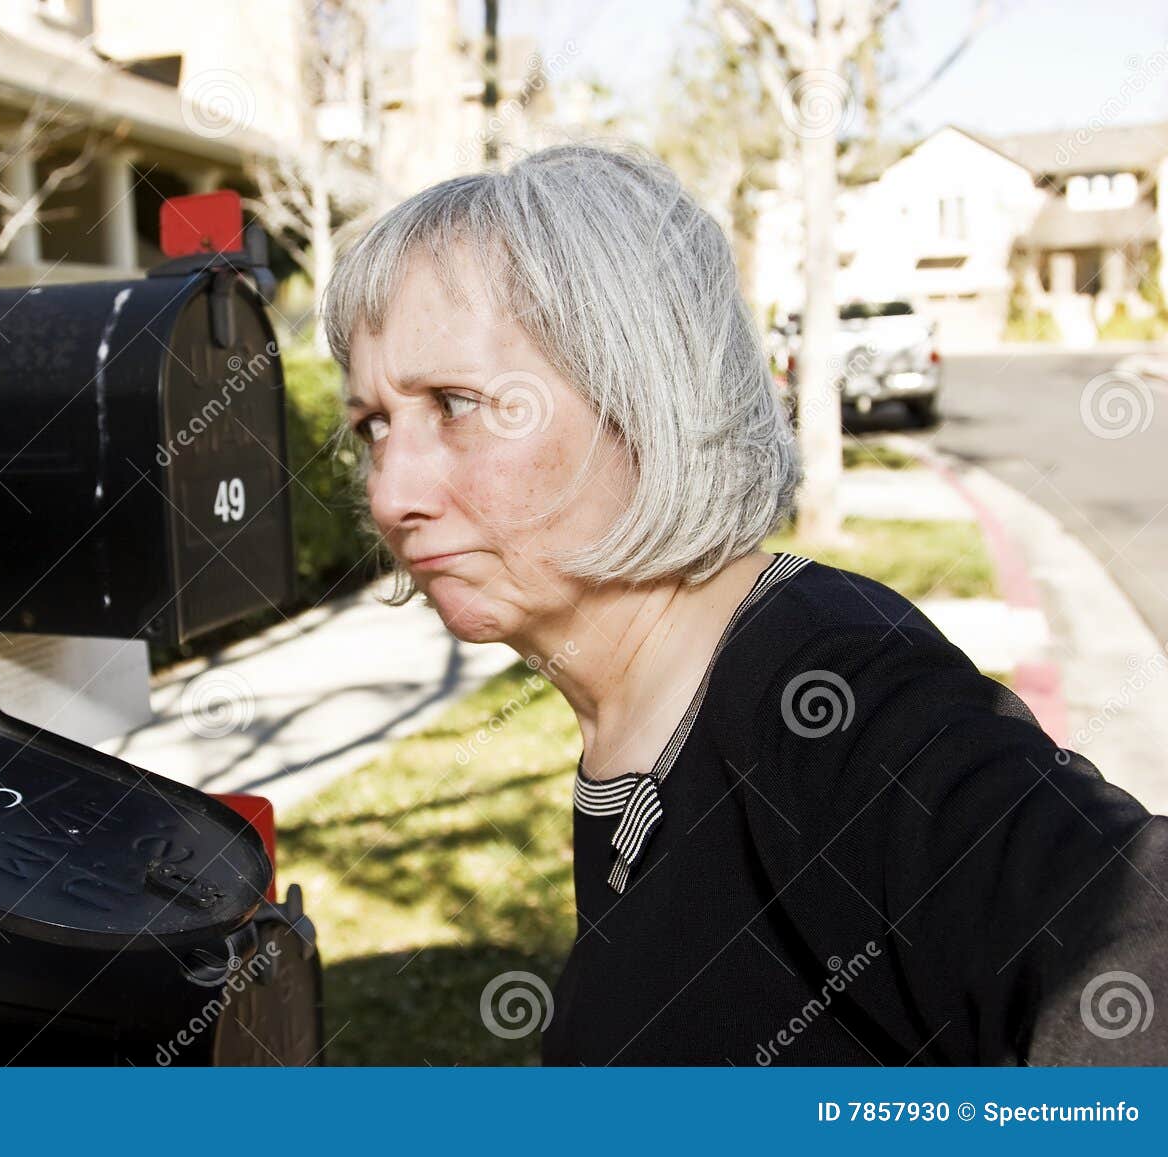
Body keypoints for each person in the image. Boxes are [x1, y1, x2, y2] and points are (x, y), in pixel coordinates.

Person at [320, 143, 1168, 1065]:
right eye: (374, 426)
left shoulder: (825, 692)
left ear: (645, 397)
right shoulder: (638, 718)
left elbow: (1132, 944)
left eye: (455, 403)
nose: (389, 493)